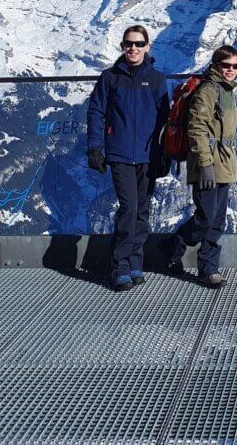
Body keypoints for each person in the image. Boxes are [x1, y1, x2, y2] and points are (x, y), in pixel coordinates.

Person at [86, 25, 170, 291]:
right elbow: (96, 111)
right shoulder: (110, 77)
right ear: (122, 47)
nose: (133, 48)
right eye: (128, 44)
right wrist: (95, 148)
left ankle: (136, 262)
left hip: (148, 156)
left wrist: (164, 153)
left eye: (138, 44)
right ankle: (120, 266)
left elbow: (165, 121)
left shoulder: (156, 79)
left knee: (142, 212)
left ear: (147, 47)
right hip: (120, 154)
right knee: (129, 209)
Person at [165, 45, 237, 288]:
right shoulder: (208, 90)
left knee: (217, 220)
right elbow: (196, 128)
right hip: (207, 162)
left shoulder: (227, 90)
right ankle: (173, 244)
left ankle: (208, 269)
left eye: (235, 66)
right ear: (216, 65)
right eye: (225, 65)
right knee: (206, 217)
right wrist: (205, 164)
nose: (230, 70)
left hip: (226, 162)